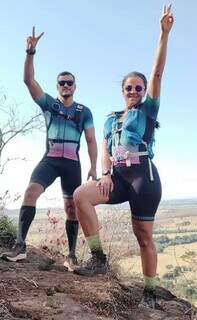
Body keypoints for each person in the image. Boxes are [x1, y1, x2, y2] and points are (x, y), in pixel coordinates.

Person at [73, 5, 173, 309]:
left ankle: (150, 295)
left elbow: (157, 72)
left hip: (144, 178)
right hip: (116, 176)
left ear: (143, 91)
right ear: (122, 90)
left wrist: (163, 34)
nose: (133, 90)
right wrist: (104, 173)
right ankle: (98, 259)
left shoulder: (148, 110)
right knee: (80, 196)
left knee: (143, 237)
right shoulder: (110, 118)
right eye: (128, 87)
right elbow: (104, 148)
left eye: (138, 87)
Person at [3, 27, 97, 270]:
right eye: (61, 83)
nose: (65, 85)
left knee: (70, 208)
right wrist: (30, 51)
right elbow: (28, 80)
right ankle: (20, 246)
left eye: (69, 83)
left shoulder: (83, 111)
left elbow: (90, 141)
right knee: (31, 192)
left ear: (75, 87)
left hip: (72, 163)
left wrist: (94, 167)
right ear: (57, 87)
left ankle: (72, 255)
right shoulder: (49, 104)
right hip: (51, 158)